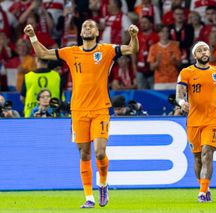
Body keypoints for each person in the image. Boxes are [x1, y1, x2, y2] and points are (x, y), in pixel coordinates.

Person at [24, 20, 139, 208]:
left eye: (91, 26)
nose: (87, 28)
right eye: (84, 26)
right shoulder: (71, 52)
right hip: (78, 111)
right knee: (84, 154)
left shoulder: (107, 50)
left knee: (99, 152)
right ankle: (89, 197)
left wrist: (134, 36)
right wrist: (32, 36)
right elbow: (43, 53)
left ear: (97, 32)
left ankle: (102, 184)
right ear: (80, 32)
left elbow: (131, 50)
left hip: (100, 109)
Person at [176, 41, 216, 202]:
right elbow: (179, 94)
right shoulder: (187, 72)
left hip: (211, 121)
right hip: (194, 121)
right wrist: (182, 103)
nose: (204, 52)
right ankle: (205, 187)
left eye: (206, 50)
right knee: (197, 157)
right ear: (194, 55)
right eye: (200, 50)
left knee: (207, 154)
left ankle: (202, 193)